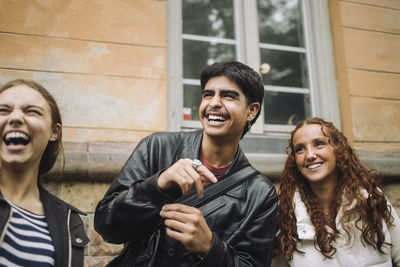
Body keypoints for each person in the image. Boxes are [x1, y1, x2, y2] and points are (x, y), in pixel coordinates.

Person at [94, 61, 278, 267]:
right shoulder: (156, 147)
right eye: (208, 95)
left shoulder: (261, 193)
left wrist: (210, 247)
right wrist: (156, 185)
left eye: (228, 96)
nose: (214, 103)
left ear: (251, 111)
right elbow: (106, 226)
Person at [272, 117, 400, 267]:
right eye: (300, 149)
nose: (310, 155)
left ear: (338, 149)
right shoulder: (286, 215)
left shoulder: (371, 199)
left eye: (319, 144)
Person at [0, 79, 89, 266]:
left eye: (31, 111)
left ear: (53, 132)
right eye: (3, 110)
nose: (15, 118)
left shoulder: (68, 221)